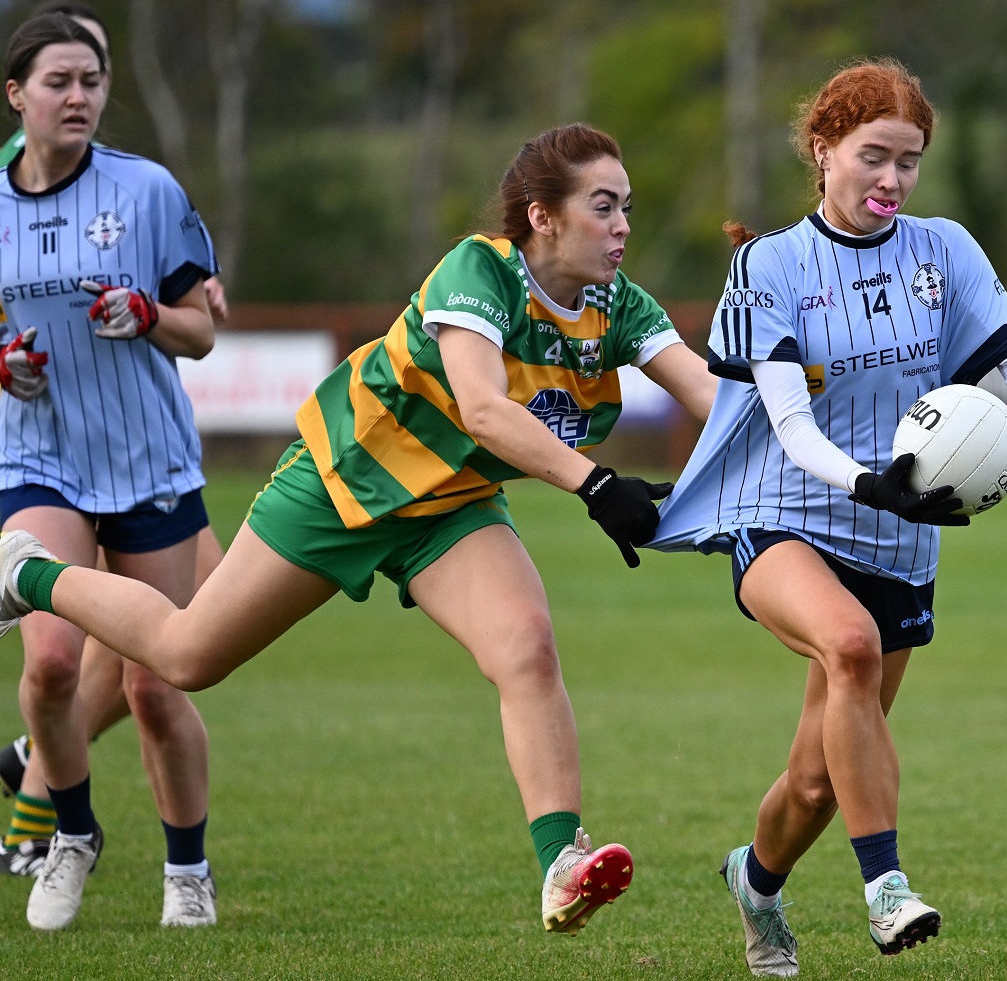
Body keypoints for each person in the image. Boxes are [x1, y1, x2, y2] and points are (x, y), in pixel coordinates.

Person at [0, 121, 716, 934]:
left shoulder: (616, 304)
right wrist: (596, 483)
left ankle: (560, 862)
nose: (624, 225)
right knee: (185, 657)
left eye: (627, 207)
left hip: (450, 508)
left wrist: (812, 472)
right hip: (342, 482)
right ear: (542, 215)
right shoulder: (478, 270)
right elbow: (481, 408)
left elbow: (711, 398)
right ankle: (29, 573)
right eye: (604, 206)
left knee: (527, 646)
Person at [645, 58, 1007, 977]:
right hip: (786, 509)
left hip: (900, 532)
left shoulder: (946, 249)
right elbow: (791, 427)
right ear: (823, 149)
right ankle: (887, 889)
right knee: (847, 647)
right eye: (872, 156)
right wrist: (867, 481)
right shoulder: (771, 265)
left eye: (909, 161)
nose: (891, 180)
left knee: (813, 784)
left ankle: (755, 883)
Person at [0, 12, 222, 930]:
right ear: (17, 95)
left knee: (154, 684)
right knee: (51, 666)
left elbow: (202, 332)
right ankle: (72, 835)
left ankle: (188, 871)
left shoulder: (149, 191)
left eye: (92, 79)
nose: (80, 96)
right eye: (59, 81)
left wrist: (150, 315)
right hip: (34, 458)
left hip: (147, 462)